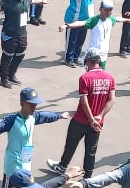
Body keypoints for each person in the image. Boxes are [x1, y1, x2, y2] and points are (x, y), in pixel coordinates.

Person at [0, 87, 69, 188]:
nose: (34, 107)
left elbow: (46, 116)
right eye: (31, 104)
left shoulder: (33, 117)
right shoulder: (12, 120)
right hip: (13, 164)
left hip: (26, 160)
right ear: (22, 103)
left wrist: (59, 115)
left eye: (35, 104)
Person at [46, 48, 115, 178]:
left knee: (71, 144)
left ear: (88, 61)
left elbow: (84, 101)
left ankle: (62, 167)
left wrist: (91, 119)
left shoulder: (85, 78)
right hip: (98, 123)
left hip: (81, 120)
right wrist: (99, 117)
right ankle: (88, 176)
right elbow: (111, 100)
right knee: (91, 150)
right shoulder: (110, 78)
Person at [53, 0, 112, 66]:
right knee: (72, 40)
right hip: (74, 18)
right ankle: (68, 59)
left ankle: (75, 58)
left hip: (86, 19)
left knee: (80, 40)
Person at [57, 0, 130, 68]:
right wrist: (67, 25)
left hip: (104, 55)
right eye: (106, 10)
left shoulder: (110, 20)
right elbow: (81, 23)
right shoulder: (94, 20)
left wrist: (127, 20)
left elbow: (117, 19)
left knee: (101, 76)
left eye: (110, 10)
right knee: (91, 77)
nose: (109, 12)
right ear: (100, 9)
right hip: (93, 55)